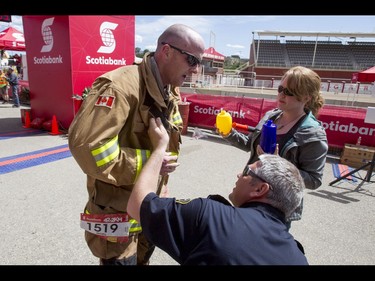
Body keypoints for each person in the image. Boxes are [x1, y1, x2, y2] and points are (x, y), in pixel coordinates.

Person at [68, 24, 205, 265]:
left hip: (148, 209)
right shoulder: (119, 87)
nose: (196, 69)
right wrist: (151, 163)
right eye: (192, 60)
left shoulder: (170, 91)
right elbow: (89, 148)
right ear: (166, 51)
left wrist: (161, 185)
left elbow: (166, 142)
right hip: (116, 214)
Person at [127, 117, 308, 265]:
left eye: (247, 172)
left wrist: (159, 148)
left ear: (261, 189)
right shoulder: (298, 256)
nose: (239, 174)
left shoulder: (212, 216)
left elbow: (138, 204)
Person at [219, 66, 328, 230]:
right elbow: (251, 145)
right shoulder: (271, 116)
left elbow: (314, 180)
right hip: (249, 193)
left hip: (276, 207)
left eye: (290, 92)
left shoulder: (313, 134)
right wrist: (228, 133)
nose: (282, 95)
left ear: (306, 97)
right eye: (280, 88)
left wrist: (278, 163)